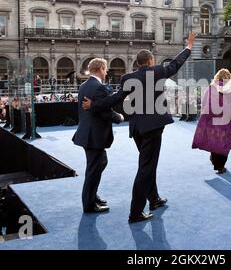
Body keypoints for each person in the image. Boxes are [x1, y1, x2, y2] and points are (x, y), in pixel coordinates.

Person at [83, 30, 197, 223]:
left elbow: (116, 99)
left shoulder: (127, 78)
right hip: (153, 127)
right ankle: (135, 212)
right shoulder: (159, 71)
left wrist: (93, 105)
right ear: (151, 60)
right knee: (146, 167)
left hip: (137, 128)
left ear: (137, 63)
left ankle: (154, 199)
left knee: (148, 164)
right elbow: (176, 63)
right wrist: (189, 45)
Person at [72, 58, 124, 213]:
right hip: (94, 135)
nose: (106, 72)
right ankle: (89, 204)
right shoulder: (99, 87)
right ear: (101, 68)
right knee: (93, 170)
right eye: (106, 69)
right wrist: (118, 117)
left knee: (100, 163)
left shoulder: (83, 86)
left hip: (88, 133)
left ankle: (92, 195)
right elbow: (103, 110)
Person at [192, 69, 231, 174]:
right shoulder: (227, 87)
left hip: (210, 118)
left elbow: (204, 101)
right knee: (224, 144)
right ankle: (220, 166)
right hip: (224, 120)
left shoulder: (211, 87)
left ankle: (215, 161)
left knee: (213, 141)